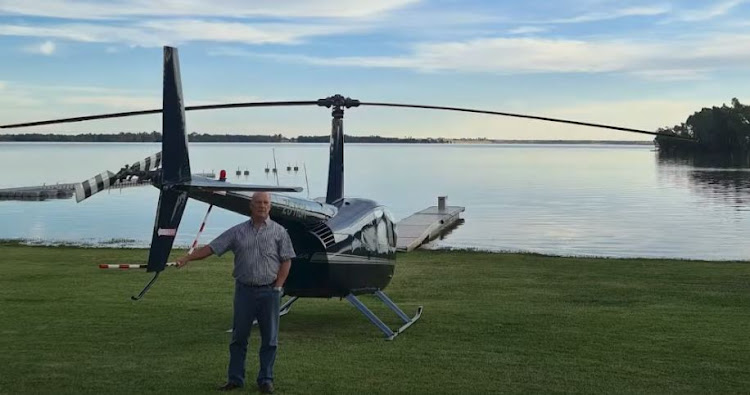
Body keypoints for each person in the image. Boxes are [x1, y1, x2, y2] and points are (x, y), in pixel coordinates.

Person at [175, 191, 295, 394]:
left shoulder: (280, 232)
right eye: (258, 203)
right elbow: (213, 248)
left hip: (269, 293)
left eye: (266, 203)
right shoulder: (237, 232)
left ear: (270, 206)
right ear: (251, 206)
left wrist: (278, 286)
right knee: (239, 338)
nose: (262, 206)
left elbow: (286, 260)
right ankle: (235, 379)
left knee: (270, 340)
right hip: (244, 293)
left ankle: (265, 380)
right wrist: (188, 258)